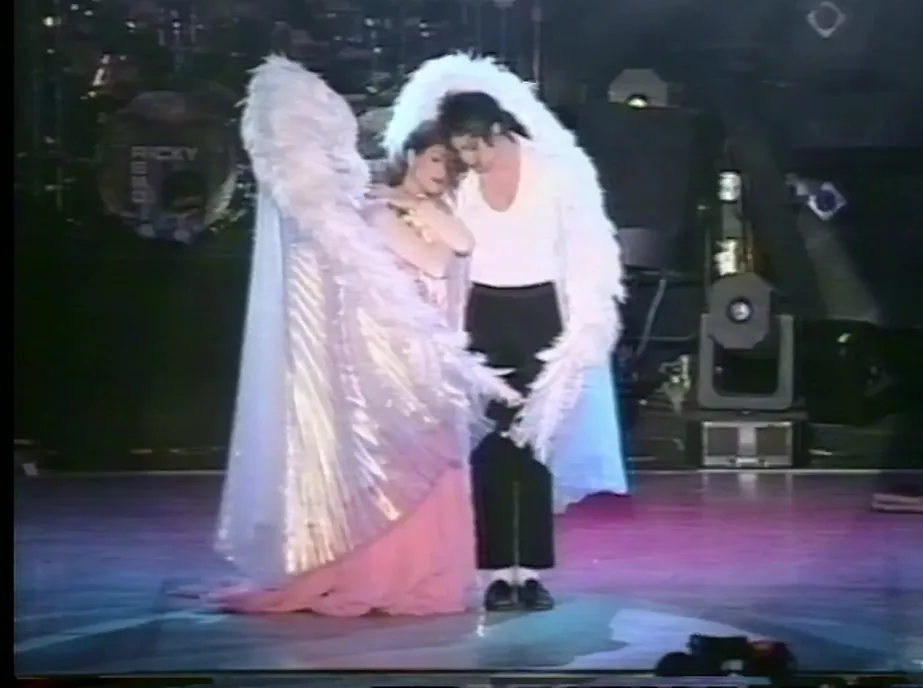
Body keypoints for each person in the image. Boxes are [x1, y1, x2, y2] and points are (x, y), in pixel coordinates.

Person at [211, 56, 519, 616]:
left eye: (452, 166)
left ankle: (426, 571)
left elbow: (462, 242)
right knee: (396, 464)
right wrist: (403, 205)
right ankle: (379, 572)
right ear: (412, 155)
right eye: (435, 159)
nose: (443, 171)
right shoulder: (375, 212)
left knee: (440, 465)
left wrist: (414, 204)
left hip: (435, 354)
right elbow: (433, 258)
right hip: (393, 358)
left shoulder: (423, 207)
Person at [382, 55, 630, 612]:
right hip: (484, 311)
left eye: (474, 146)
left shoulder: (553, 169)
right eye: (460, 149)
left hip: (541, 310)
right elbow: (427, 209)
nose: (468, 159)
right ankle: (496, 572)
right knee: (491, 442)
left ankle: (530, 572)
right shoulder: (462, 181)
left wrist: (585, 322)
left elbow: (585, 245)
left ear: (497, 129)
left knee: (535, 439)